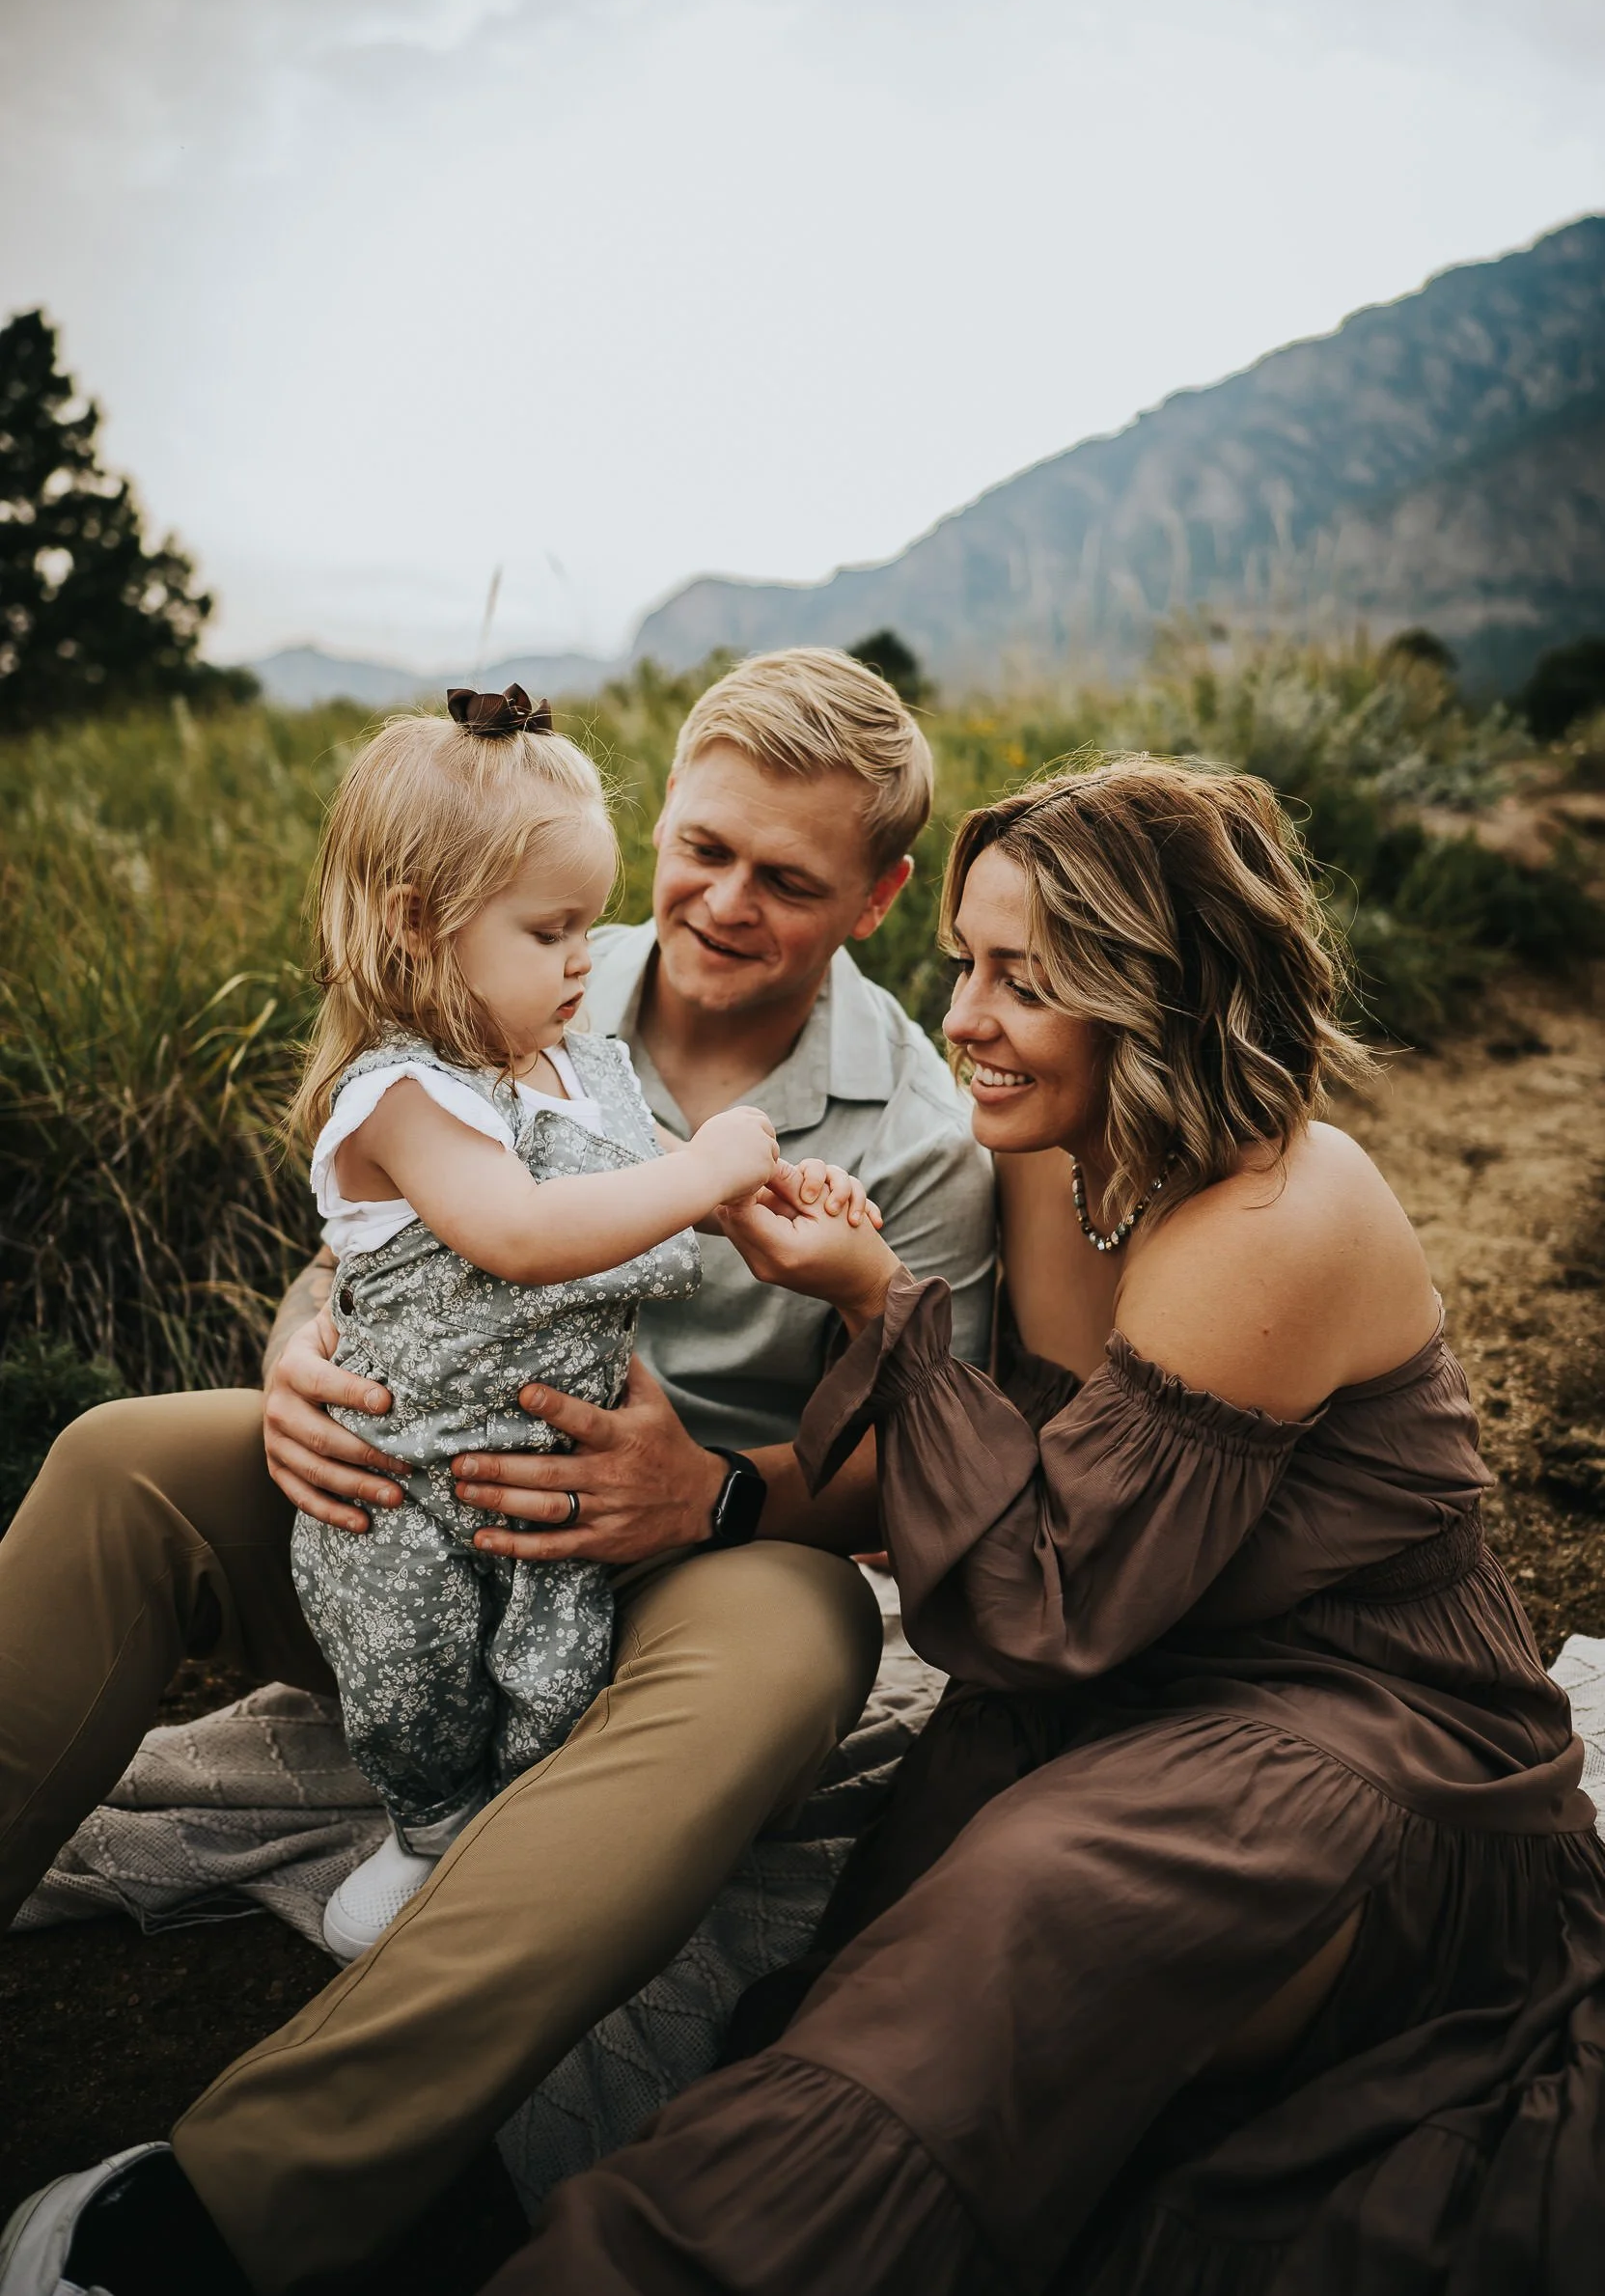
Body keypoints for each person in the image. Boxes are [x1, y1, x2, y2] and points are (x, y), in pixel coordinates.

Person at [490, 757, 1605, 2294]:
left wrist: (883, 1304)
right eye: (963, 960)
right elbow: (1012, 1498)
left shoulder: (1278, 1217)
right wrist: (730, 1478)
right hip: (1128, 1690)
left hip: (1375, 1747)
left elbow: (1042, 1598)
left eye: (1025, 979)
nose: (961, 1017)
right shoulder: (1057, 1171)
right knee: (898, 1943)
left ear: (1159, 998)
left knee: (1016, 1921)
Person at [0, 651, 995, 2296]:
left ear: (879, 895)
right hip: (409, 1500)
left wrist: (719, 1496)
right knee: (124, 1457)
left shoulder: (920, 1138)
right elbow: (376, 1225)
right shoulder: (514, 940)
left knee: (799, 1636)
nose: (720, 903)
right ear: (656, 814)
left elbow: (923, 1455)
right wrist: (299, 1341)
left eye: (788, 878)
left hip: (682, 1576)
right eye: (703, 847)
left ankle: (229, 2209)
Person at [286, 682, 858, 1959]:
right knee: (413, 1681)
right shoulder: (403, 1096)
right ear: (417, 927)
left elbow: (634, 1172)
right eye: (549, 931)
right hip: (404, 1485)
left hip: (551, 1473)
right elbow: (523, 1237)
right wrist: (706, 1169)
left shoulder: (567, 1060)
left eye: (586, 928)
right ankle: (427, 1832)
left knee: (552, 1678)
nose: (581, 961)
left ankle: (526, 1832)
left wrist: (763, 1191)